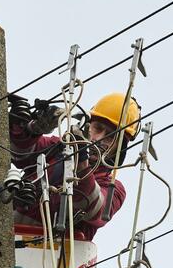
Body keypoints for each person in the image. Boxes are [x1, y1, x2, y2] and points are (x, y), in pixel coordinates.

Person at [8, 93, 141, 241]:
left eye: (110, 136)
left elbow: (93, 207)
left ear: (119, 148)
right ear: (88, 126)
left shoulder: (113, 188)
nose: (98, 139)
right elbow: (17, 152)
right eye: (98, 128)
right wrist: (32, 128)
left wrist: (80, 162)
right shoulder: (57, 148)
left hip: (56, 259)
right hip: (5, 239)